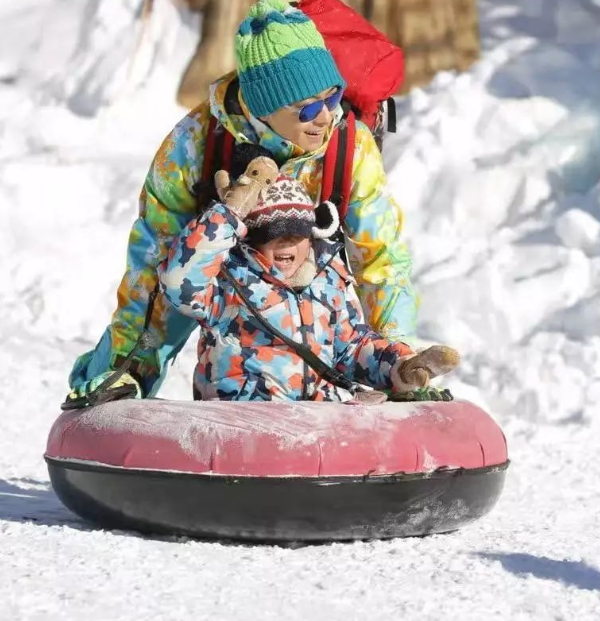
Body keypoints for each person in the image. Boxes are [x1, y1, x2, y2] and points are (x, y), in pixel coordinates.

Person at [67, 0, 419, 402]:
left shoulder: (349, 146)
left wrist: (400, 360)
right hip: (220, 288)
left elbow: (382, 259)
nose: (326, 116)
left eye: (333, 95)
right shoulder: (194, 145)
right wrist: (129, 367)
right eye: (307, 107)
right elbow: (152, 268)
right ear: (264, 105)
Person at [158, 175, 458, 401]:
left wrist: (400, 365)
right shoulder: (229, 282)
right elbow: (178, 283)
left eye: (297, 234)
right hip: (244, 424)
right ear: (250, 239)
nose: (286, 242)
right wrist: (229, 213)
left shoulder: (328, 282)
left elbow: (351, 348)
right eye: (272, 233)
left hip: (316, 426)